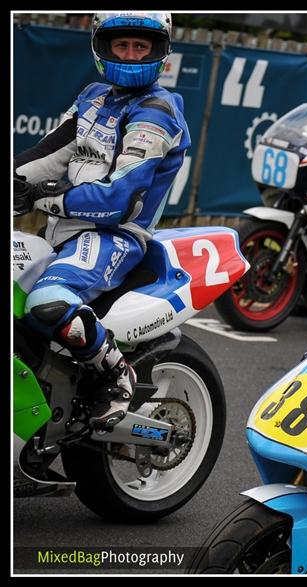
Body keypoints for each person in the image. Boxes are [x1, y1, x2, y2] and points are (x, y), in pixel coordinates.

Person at [13, 12, 191, 429]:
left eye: (141, 47)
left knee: (46, 303)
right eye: (121, 45)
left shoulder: (158, 111)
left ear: (159, 51)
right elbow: (46, 156)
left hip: (115, 236)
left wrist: (46, 200)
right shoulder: (94, 96)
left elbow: (120, 199)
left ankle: (116, 376)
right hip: (61, 231)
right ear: (102, 47)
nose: (130, 56)